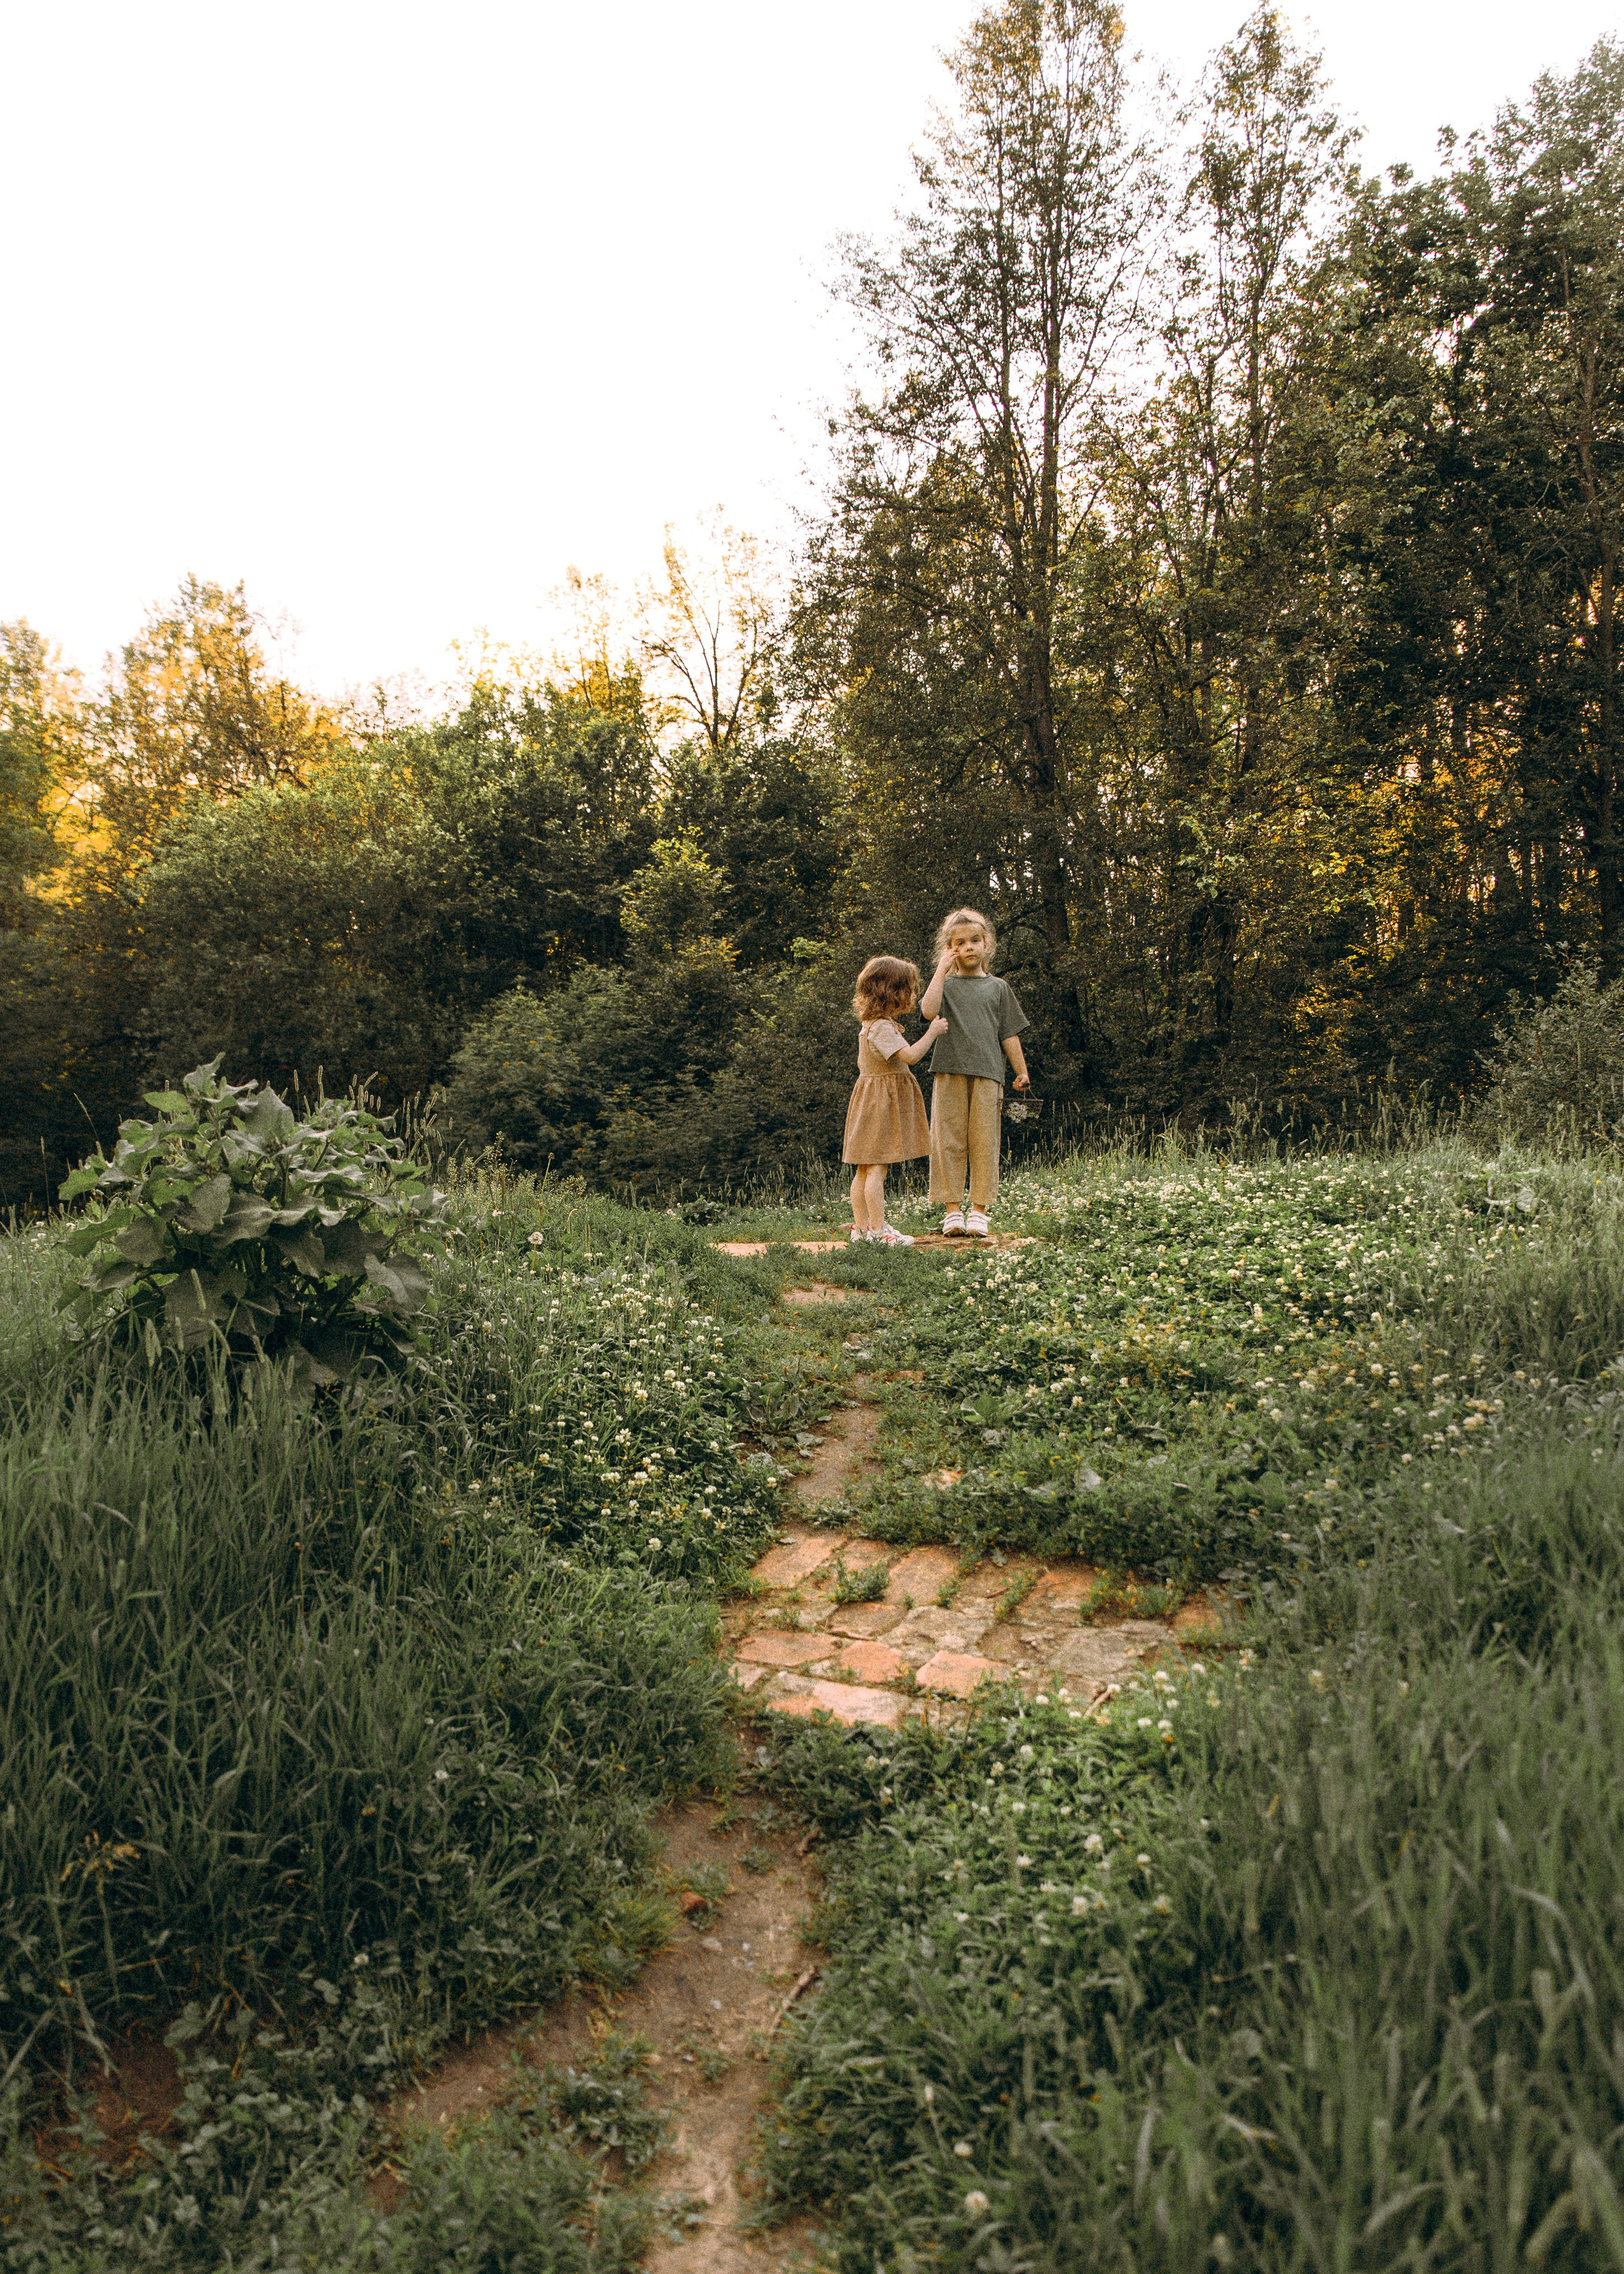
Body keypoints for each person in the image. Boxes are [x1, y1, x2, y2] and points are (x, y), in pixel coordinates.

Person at [919, 907, 1030, 1238]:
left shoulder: (998, 988)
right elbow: (927, 1011)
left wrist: (1021, 1071)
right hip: (948, 1071)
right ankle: (953, 1211)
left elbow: (1009, 1034)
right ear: (950, 948)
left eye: (975, 940)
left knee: (984, 1142)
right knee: (947, 1140)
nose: (968, 947)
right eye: (960, 942)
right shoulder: (947, 985)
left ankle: (979, 1211)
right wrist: (941, 968)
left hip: (989, 1074)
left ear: (987, 945)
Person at [842, 956, 947, 1247]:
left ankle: (862, 1230)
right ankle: (878, 1232)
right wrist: (933, 1032)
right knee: (877, 1167)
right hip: (880, 1103)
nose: (913, 996)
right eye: (910, 989)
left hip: (871, 1099)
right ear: (893, 992)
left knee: (864, 1168)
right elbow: (911, 1057)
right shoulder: (882, 1028)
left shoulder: (872, 1024)